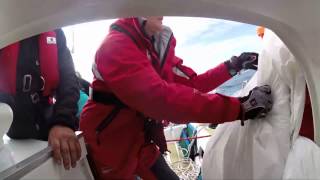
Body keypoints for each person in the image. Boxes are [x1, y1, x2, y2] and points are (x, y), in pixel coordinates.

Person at [80, 17, 273, 179]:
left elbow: (192, 84)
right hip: (110, 143)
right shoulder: (115, 46)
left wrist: (233, 66)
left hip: (142, 143)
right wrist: (240, 107)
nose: (162, 12)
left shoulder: (155, 52)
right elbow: (161, 100)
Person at [0, 29, 81, 170]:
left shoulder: (55, 31)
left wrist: (63, 122)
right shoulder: (6, 26)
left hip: (49, 119)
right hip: (10, 125)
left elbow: (69, 80)